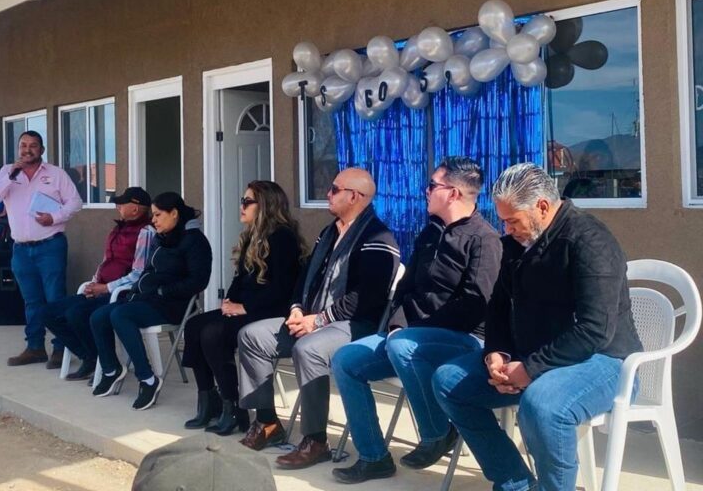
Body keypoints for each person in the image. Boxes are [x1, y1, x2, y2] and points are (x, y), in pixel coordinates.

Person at [432, 163, 642, 491]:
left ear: (542, 207)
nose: (506, 227)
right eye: (503, 219)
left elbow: (594, 329)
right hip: (537, 357)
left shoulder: (590, 241)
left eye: (512, 220)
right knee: (448, 382)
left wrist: (529, 369)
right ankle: (515, 483)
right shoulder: (516, 244)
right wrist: (497, 353)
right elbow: (498, 306)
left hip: (607, 361)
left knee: (542, 404)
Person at [331, 157, 502, 484]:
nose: (425, 191)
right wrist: (396, 323)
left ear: (452, 193)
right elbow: (405, 288)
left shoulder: (484, 240)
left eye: (432, 186)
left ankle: (438, 432)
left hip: (464, 340)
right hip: (410, 337)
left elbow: (474, 306)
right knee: (346, 360)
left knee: (403, 345)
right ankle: (374, 457)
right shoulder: (430, 233)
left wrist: (411, 330)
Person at [237, 168, 400, 470]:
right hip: (313, 318)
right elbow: (305, 279)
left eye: (335, 189)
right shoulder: (329, 233)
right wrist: (298, 309)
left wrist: (319, 320)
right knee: (252, 335)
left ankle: (315, 440)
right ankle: (268, 423)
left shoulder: (377, 236)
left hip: (354, 325)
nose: (328, 193)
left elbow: (370, 297)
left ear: (355, 196)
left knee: (308, 348)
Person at [182, 181, 305, 435]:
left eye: (248, 202)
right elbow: (239, 280)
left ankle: (235, 407)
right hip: (248, 308)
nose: (242, 206)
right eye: (243, 200)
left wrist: (244, 307)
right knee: (194, 325)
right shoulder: (252, 236)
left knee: (213, 333)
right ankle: (208, 399)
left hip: (272, 312)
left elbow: (282, 289)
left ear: (266, 206)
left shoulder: (283, 238)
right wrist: (229, 302)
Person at [90, 192, 212, 411]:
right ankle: (111, 370)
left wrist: (164, 291)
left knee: (120, 315)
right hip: (148, 298)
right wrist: (136, 289)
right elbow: (148, 270)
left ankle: (147, 379)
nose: (153, 220)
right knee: (99, 316)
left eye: (157, 215)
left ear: (174, 214)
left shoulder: (195, 241)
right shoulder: (162, 237)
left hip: (173, 304)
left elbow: (198, 281)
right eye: (153, 215)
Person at [0, 131, 83, 366]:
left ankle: (61, 347)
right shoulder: (8, 172)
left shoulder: (55, 174)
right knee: (31, 300)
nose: (27, 149)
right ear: (18, 148)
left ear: (42, 150)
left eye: (33, 146)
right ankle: (35, 347)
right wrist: (9, 174)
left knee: (55, 298)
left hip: (50, 245)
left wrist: (55, 217)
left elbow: (75, 202)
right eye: (23, 145)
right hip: (20, 249)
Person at [43, 187, 154, 381]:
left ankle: (103, 362)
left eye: (122, 203)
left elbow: (139, 274)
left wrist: (105, 288)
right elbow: (106, 261)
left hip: (121, 294)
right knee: (48, 313)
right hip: (101, 289)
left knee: (76, 313)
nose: (118, 206)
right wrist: (94, 283)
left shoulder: (145, 232)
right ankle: (91, 357)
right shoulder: (118, 229)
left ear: (136, 208)